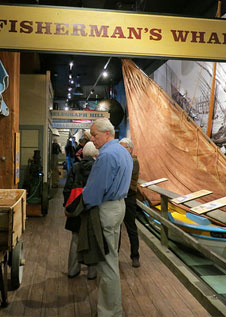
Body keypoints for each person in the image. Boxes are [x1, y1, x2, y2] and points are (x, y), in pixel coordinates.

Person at [82, 118, 133, 317]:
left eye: (94, 135)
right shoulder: (123, 152)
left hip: (107, 208)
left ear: (107, 134)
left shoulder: (106, 156)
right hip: (119, 207)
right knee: (111, 256)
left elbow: (95, 189)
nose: (92, 139)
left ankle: (110, 312)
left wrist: (83, 204)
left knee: (107, 262)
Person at [63, 142, 99, 280]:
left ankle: (73, 270)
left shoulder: (75, 167)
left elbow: (67, 188)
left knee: (75, 238)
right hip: (92, 208)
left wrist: (68, 206)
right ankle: (92, 272)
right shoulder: (97, 167)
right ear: (96, 153)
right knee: (92, 239)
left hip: (76, 206)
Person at [119, 137, 140, 267]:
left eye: (123, 148)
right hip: (121, 197)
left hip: (129, 198)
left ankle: (135, 256)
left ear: (130, 149)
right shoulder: (125, 160)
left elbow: (123, 175)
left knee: (131, 228)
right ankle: (115, 254)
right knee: (117, 229)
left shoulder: (133, 161)